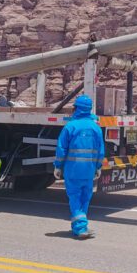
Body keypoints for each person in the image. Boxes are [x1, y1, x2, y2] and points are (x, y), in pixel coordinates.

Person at [53, 94, 105, 240]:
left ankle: (81, 227)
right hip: (89, 170)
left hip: (73, 170)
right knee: (85, 198)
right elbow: (100, 150)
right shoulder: (96, 128)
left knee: (74, 197)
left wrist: (58, 166)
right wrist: (98, 167)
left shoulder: (70, 126)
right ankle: (80, 227)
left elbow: (61, 149)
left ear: (77, 108)